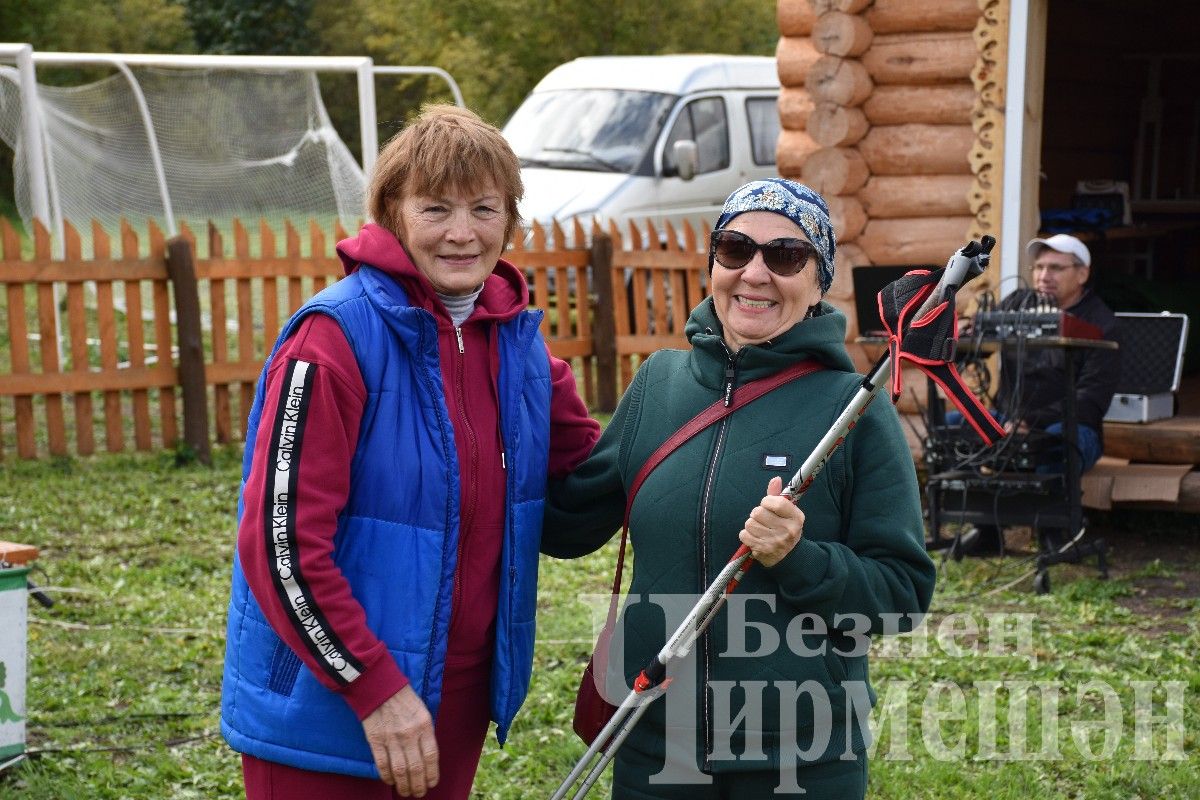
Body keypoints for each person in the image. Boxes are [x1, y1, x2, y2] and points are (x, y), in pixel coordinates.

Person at [220, 104, 600, 800]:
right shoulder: (333, 343)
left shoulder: (522, 350)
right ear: (392, 213)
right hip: (328, 708)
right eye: (436, 209)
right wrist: (374, 689)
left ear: (511, 222)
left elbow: (597, 477)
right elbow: (279, 548)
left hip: (452, 706)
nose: (462, 233)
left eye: (484, 209)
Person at [542, 179, 936, 799]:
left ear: (818, 281)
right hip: (652, 740)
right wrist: (525, 397)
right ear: (713, 266)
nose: (755, 273)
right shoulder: (658, 385)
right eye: (734, 249)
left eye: (785, 256)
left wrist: (800, 559)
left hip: (796, 757)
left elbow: (902, 594)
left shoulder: (852, 411)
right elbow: (565, 524)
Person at [957, 233, 1119, 555]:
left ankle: (1056, 532)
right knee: (955, 426)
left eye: (1056, 268)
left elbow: (1091, 400)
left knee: (1058, 441)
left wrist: (1030, 422)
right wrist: (961, 338)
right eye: (1040, 267)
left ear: (1082, 274)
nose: (1045, 276)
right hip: (1010, 417)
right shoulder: (1018, 302)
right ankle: (986, 528)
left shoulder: (1103, 323)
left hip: (1073, 427)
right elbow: (976, 346)